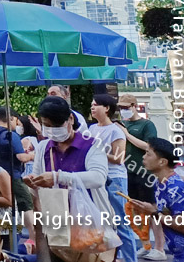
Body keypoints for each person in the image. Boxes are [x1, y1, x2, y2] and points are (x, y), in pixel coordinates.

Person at [24, 95, 113, 255]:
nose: (51, 130)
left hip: (91, 226)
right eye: (46, 125)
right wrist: (33, 183)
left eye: (56, 125)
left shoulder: (92, 145)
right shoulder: (43, 148)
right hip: (57, 227)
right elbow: (36, 187)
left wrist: (58, 177)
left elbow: (98, 178)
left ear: (71, 119)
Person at [129, 138, 184, 262]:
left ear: (162, 162)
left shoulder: (176, 188)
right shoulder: (160, 183)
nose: (144, 157)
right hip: (182, 254)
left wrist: (153, 213)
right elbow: (167, 214)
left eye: (148, 154)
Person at [89, 93, 139, 262]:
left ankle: (130, 258)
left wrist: (97, 151)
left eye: (96, 105)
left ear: (107, 108)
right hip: (97, 176)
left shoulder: (115, 130)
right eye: (92, 105)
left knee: (120, 220)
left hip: (114, 178)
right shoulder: (92, 129)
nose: (92, 108)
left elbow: (119, 158)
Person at [118, 92, 167, 260]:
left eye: (126, 107)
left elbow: (149, 145)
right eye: (121, 108)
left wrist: (127, 135)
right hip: (127, 172)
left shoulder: (146, 124)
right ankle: (146, 244)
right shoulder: (123, 124)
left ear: (134, 106)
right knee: (137, 211)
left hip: (144, 173)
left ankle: (160, 247)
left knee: (151, 209)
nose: (123, 110)